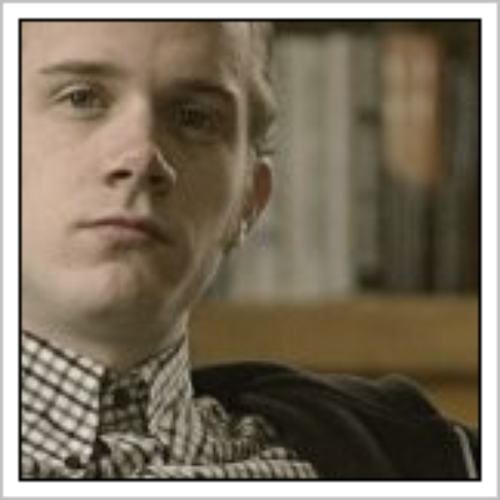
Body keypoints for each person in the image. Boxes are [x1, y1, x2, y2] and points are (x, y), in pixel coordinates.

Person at [22, 20, 478, 479]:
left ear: (250, 200)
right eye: (81, 98)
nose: (141, 156)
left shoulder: (424, 459)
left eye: (193, 117)